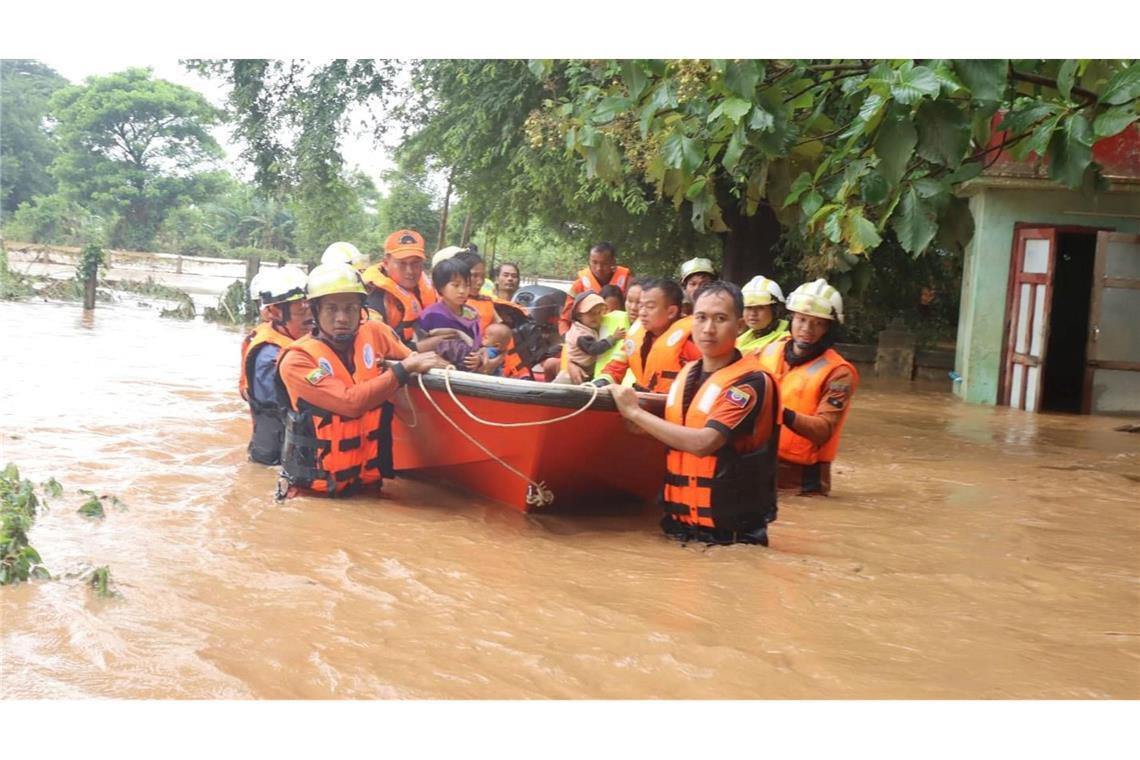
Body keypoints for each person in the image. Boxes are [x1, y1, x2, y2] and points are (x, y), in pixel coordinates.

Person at [611, 281, 779, 546]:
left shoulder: (750, 382)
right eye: (701, 318)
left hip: (730, 539)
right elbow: (675, 431)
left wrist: (635, 413)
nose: (708, 328)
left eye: (720, 319)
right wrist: (640, 427)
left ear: (739, 326)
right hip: (679, 528)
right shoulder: (687, 373)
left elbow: (703, 443)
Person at [276, 263, 447, 497]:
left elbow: (414, 357)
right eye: (331, 309)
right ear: (315, 311)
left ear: (361, 310)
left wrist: (447, 367)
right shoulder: (297, 360)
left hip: (367, 487)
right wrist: (402, 370)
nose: (342, 318)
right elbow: (350, 403)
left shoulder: (375, 332)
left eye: (350, 308)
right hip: (315, 495)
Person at [757, 278, 859, 496]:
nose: (807, 329)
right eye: (801, 319)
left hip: (803, 480)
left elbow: (823, 430)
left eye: (818, 323)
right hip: (760, 466)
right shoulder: (768, 352)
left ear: (829, 328)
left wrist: (779, 412)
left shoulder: (839, 372)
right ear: (792, 318)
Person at [239, 265, 311, 465]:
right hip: (275, 457)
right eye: (300, 310)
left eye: (311, 306)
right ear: (275, 312)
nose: (310, 316)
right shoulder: (269, 356)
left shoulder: (293, 341)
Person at [597, 277, 700, 393]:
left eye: (650, 307)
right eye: (641, 306)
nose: (642, 312)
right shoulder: (636, 336)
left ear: (671, 312)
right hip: (641, 400)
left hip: (672, 405)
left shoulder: (691, 342)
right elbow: (616, 366)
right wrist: (602, 381)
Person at [361, 229, 438, 344]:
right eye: (402, 263)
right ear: (386, 264)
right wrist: (421, 348)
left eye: (415, 263)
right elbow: (376, 349)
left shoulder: (423, 288)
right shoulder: (375, 300)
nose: (410, 271)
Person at [418, 257, 485, 372]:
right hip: (439, 374)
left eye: (466, 285)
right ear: (440, 287)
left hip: (470, 374)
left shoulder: (472, 314)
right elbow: (420, 345)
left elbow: (478, 345)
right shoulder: (431, 315)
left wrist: (478, 358)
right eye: (456, 285)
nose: (462, 291)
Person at [558, 241, 633, 334]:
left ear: (613, 261)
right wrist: (567, 341)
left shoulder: (628, 283)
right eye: (594, 262)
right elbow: (565, 320)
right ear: (589, 261)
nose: (599, 268)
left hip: (620, 335)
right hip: (588, 340)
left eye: (604, 263)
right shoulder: (579, 285)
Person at [555, 292, 626, 384]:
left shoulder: (589, 326)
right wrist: (612, 338)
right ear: (578, 315)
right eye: (590, 313)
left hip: (584, 370)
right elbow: (594, 348)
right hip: (576, 372)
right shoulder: (581, 334)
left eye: (599, 312)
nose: (595, 317)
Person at [736, 275, 789, 353]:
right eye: (748, 307)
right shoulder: (739, 340)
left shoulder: (786, 340)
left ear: (776, 311)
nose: (753, 313)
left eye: (760, 307)